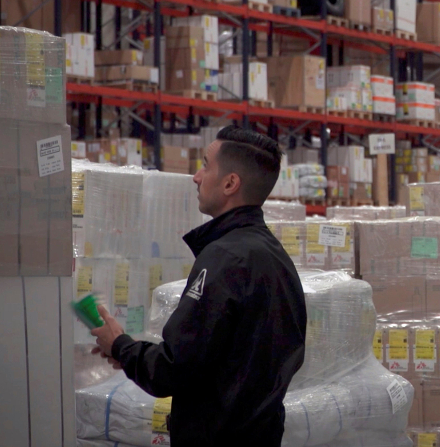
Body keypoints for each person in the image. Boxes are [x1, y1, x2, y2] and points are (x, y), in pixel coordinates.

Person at [90, 126, 307, 447]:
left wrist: (120, 345)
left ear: (230, 183)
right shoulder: (275, 257)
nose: (196, 176)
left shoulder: (225, 259)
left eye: (205, 165)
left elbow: (172, 368)